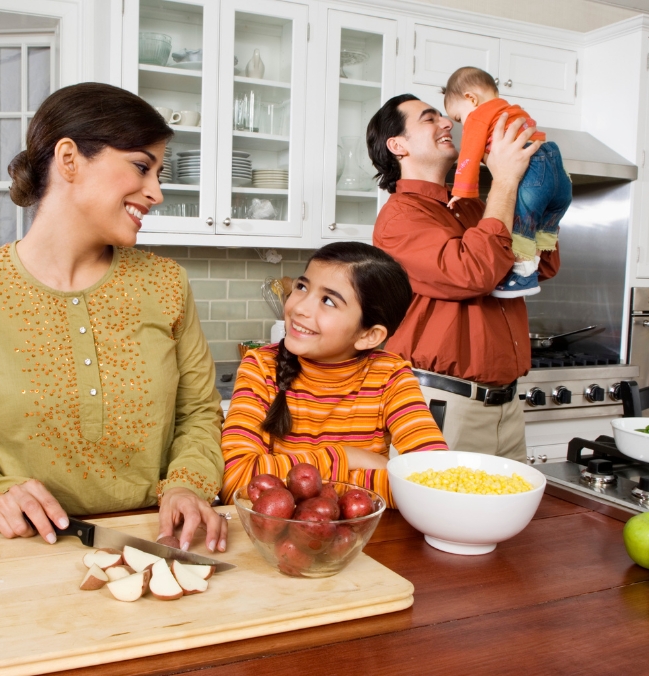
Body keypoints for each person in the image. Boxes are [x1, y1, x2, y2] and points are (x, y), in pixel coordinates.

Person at [0, 83, 227, 554]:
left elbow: (198, 414)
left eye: (158, 173)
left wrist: (186, 485)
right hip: (17, 550)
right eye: (142, 166)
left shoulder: (166, 285)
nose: (155, 192)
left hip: (151, 541)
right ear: (70, 159)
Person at [366, 93, 560, 462]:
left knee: (505, 517)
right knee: (438, 517)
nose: (447, 123)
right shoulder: (399, 219)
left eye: (443, 115)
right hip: (444, 407)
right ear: (397, 145)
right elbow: (474, 272)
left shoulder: (470, 207)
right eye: (429, 119)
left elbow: (541, 266)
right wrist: (504, 181)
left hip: (507, 405)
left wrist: (542, 198)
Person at [220, 242, 447, 508]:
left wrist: (303, 482)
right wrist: (348, 458)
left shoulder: (391, 377)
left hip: (363, 541)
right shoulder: (260, 366)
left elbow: (432, 483)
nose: (300, 308)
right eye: (302, 287)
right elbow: (236, 481)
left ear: (368, 335)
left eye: (328, 301)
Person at [443, 67, 572, 298]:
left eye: (459, 118)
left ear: (471, 98)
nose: (462, 124)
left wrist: (462, 190)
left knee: (520, 220)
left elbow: (469, 155)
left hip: (532, 170)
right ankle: (531, 266)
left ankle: (522, 276)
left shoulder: (479, 116)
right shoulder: (513, 110)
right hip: (555, 165)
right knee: (543, 225)